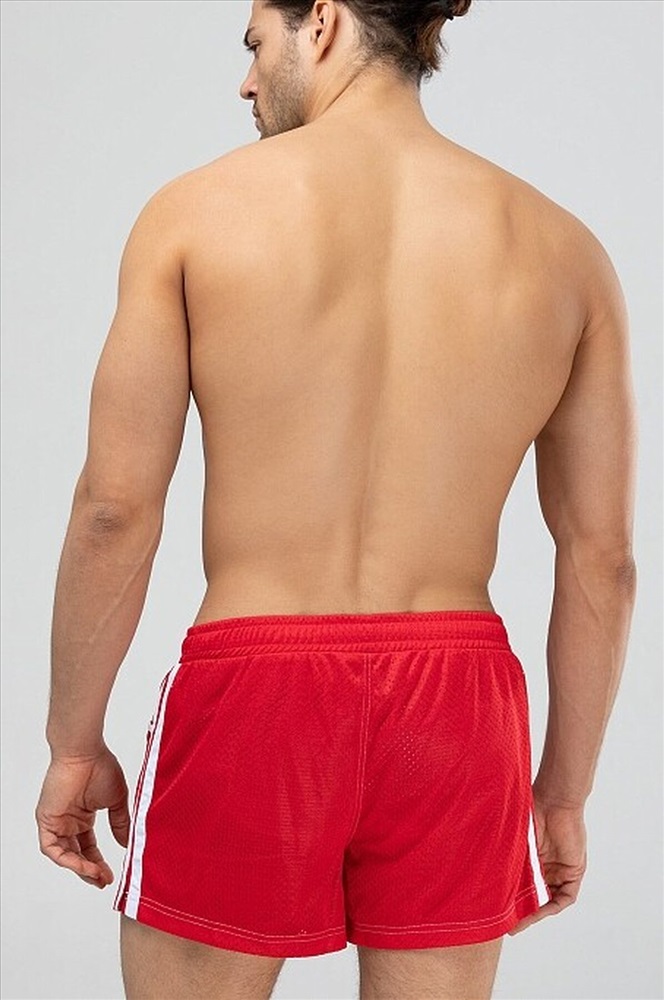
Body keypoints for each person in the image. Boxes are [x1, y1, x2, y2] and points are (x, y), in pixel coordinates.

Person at [35, 0, 637, 997]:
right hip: (459, 710)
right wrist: (563, 793)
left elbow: (114, 509)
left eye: (253, 44)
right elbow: (601, 559)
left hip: (255, 689)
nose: (244, 81)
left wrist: (71, 740)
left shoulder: (192, 214)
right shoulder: (566, 252)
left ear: (320, 22)